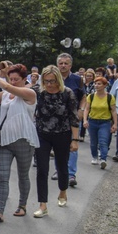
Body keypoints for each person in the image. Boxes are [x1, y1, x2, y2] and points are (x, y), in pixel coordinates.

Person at [0, 65, 38, 223]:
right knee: (3, 177)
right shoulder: (5, 94)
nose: (12, 82)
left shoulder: (29, 93)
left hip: (24, 141)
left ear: (24, 79)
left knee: (23, 175)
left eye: (16, 80)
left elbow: (6, 86)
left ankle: (22, 205)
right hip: (4, 140)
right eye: (10, 79)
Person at [33, 65, 79, 217]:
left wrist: (75, 140)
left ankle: (63, 192)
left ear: (58, 79)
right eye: (46, 81)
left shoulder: (67, 93)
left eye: (52, 81)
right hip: (42, 134)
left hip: (62, 133)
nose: (49, 84)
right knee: (42, 169)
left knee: (61, 166)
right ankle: (43, 205)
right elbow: (21, 91)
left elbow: (73, 117)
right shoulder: (39, 92)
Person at [53, 53, 84, 187]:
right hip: (55, 118)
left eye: (66, 63)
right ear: (57, 65)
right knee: (58, 145)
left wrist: (81, 110)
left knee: (73, 144)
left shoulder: (77, 79)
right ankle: (59, 170)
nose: (63, 65)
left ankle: (71, 174)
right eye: (61, 63)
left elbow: (84, 97)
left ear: (70, 65)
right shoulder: (52, 78)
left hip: (72, 117)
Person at [83, 76, 117, 169]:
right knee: (93, 142)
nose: (96, 86)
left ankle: (103, 159)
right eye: (95, 83)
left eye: (99, 84)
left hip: (105, 122)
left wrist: (115, 124)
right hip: (93, 121)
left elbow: (114, 111)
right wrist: (85, 120)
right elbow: (86, 109)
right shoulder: (91, 96)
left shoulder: (110, 97)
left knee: (103, 141)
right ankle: (94, 157)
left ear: (105, 85)